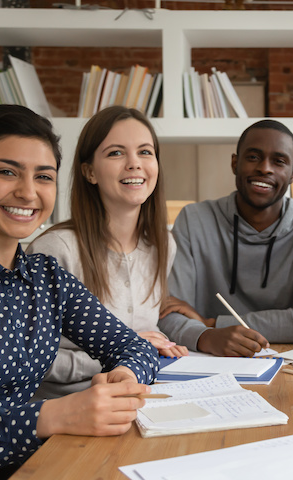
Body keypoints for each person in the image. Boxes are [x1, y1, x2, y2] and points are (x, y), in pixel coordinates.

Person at [0, 105, 159, 480]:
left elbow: (133, 345)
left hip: (37, 470)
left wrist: (127, 377)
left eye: (43, 177)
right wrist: (51, 416)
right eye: (6, 171)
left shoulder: (46, 276)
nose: (28, 192)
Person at [28, 106, 187, 401]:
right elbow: (29, 362)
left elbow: (150, 330)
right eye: (116, 153)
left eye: (145, 152)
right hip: (66, 408)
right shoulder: (54, 251)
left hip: (139, 395)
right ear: (89, 172)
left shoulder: (164, 243)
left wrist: (155, 346)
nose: (134, 164)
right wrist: (131, 348)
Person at [158, 119, 293, 356]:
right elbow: (168, 313)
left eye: (279, 161)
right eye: (253, 157)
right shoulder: (193, 220)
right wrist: (207, 337)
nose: (264, 168)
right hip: (207, 358)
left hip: (290, 363)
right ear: (235, 163)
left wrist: (212, 323)